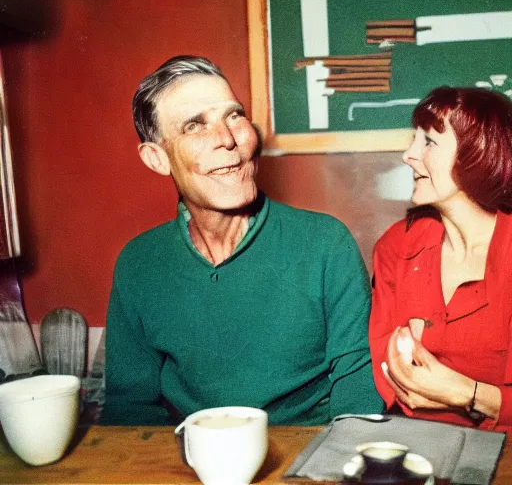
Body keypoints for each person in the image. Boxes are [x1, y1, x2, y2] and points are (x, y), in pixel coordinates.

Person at [101, 55, 382, 426]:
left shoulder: (325, 244)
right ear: (157, 158)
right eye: (195, 126)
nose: (227, 139)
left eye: (233, 116)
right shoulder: (139, 263)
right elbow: (129, 412)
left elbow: (358, 396)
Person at [369, 86, 512, 431]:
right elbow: (388, 373)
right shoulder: (395, 247)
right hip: (418, 447)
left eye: (429, 142)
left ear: (477, 155)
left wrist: (466, 394)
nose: (408, 155)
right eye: (414, 140)